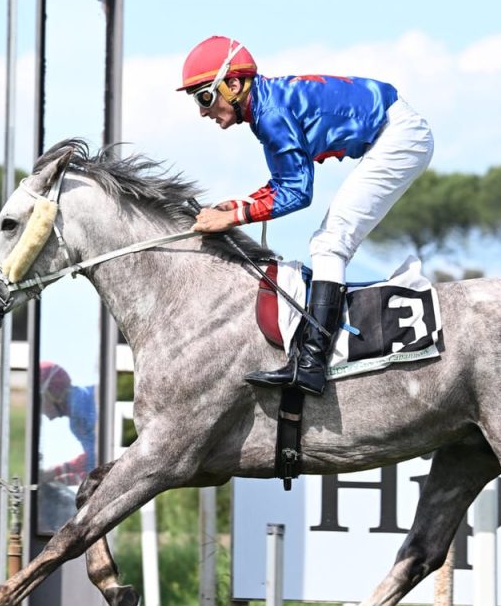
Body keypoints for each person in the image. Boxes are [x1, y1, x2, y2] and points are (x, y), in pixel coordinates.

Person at [180, 35, 435, 396]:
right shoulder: (266, 107)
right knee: (328, 241)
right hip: (394, 130)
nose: (202, 111)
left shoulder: (270, 114)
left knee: (330, 242)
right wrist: (237, 206)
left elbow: (299, 194)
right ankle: (313, 357)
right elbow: (285, 182)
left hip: (399, 136)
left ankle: (312, 363)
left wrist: (234, 218)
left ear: (233, 85)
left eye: (204, 97)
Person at [38, 361, 97, 485]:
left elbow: (97, 465)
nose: (40, 410)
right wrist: (57, 473)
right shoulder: (83, 397)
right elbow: (92, 458)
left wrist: (57, 476)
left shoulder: (78, 415)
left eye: (39, 400)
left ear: (53, 390)